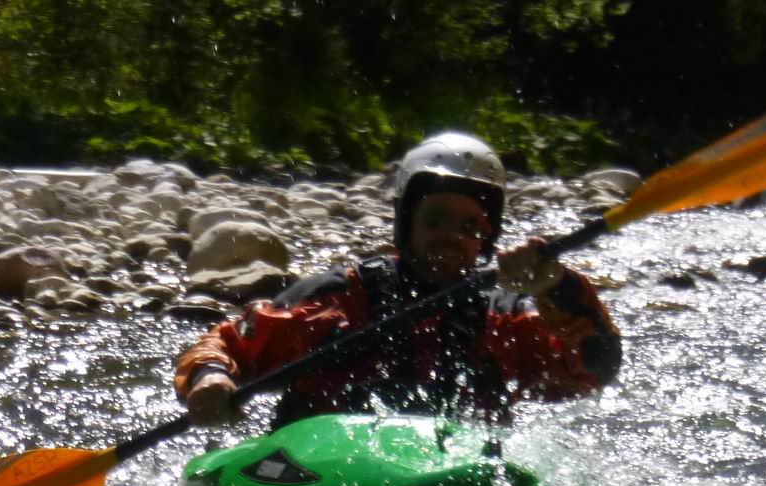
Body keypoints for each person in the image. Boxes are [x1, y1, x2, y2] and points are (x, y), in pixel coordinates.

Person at [172, 133, 622, 427]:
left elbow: (596, 368)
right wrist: (211, 377)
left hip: (450, 480)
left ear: (486, 240)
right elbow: (226, 344)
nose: (451, 237)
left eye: (470, 228)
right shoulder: (335, 301)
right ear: (407, 224)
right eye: (437, 219)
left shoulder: (504, 320)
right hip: (324, 477)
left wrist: (557, 286)